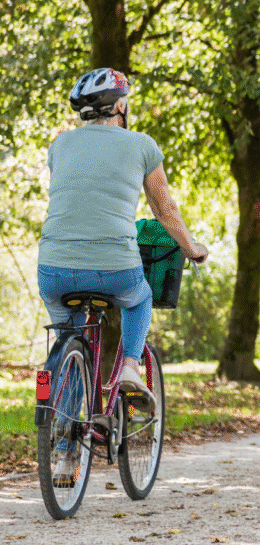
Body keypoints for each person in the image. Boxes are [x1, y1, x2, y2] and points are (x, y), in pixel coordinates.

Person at [38, 68, 209, 404]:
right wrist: (191, 249)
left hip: (53, 270)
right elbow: (166, 212)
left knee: (69, 339)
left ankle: (63, 447)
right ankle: (131, 366)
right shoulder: (142, 144)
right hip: (114, 269)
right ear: (118, 106)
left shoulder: (60, 144)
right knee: (140, 296)